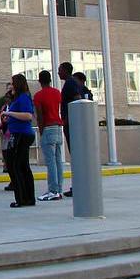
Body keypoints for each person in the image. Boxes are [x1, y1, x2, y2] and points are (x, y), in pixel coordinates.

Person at [4, 74, 36, 208]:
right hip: (20, 134)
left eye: (11, 83)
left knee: (16, 166)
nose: (10, 85)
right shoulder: (19, 98)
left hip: (22, 135)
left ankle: (22, 198)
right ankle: (28, 197)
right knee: (22, 166)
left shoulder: (23, 98)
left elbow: (28, 116)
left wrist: (9, 114)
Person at [33, 70, 65, 201]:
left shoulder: (38, 95)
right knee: (58, 160)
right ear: (50, 79)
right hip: (58, 126)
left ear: (39, 81)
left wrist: (41, 130)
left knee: (50, 161)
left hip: (48, 127)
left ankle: (52, 190)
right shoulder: (57, 92)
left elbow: (40, 115)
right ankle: (59, 189)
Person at [59, 62, 81, 198]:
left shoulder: (70, 83)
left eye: (60, 70)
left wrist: (68, 118)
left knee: (76, 156)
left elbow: (77, 100)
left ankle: (78, 186)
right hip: (69, 124)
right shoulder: (70, 83)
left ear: (66, 71)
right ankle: (78, 185)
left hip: (71, 125)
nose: (58, 73)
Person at [0, 86, 15, 192]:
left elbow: (10, 119)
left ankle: (14, 181)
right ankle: (11, 177)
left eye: (9, 97)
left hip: (11, 135)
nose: (7, 99)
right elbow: (3, 120)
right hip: (5, 135)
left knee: (11, 158)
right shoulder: (4, 107)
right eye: (6, 97)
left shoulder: (13, 108)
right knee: (6, 155)